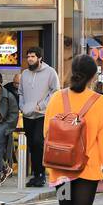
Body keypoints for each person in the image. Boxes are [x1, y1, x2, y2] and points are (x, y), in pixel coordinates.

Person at [43, 54, 103, 205]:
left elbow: (47, 133)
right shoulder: (99, 101)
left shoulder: (56, 98)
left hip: (61, 171)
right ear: (92, 76)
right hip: (87, 170)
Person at [19, 47, 60, 187]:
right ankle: (36, 176)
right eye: (28, 56)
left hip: (42, 114)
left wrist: (42, 105)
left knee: (38, 142)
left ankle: (41, 175)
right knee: (31, 145)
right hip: (28, 115)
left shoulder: (50, 72)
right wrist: (22, 106)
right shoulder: (24, 74)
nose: (30, 59)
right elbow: (21, 92)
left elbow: (55, 92)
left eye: (33, 56)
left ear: (39, 58)